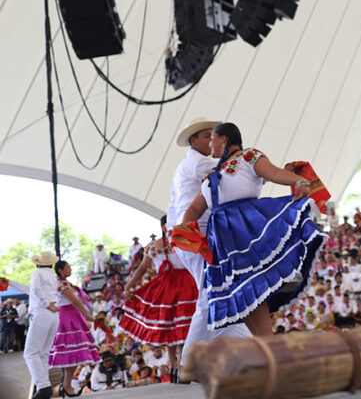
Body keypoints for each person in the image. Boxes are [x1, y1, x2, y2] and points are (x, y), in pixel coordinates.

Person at [179, 122, 327, 336]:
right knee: (240, 293)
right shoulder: (211, 174)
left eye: (212, 138)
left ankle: (268, 345)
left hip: (246, 226)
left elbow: (274, 173)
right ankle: (265, 345)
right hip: (222, 238)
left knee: (249, 286)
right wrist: (182, 231)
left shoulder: (248, 157)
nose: (210, 143)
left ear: (224, 139)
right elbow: (195, 207)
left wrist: (300, 181)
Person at [165, 117, 251, 370]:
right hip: (194, 236)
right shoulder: (199, 163)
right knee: (210, 295)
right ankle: (190, 362)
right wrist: (252, 165)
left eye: (214, 136)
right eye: (207, 137)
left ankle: (241, 353)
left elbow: (173, 206)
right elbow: (228, 178)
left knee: (218, 291)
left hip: (190, 236)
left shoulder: (185, 165)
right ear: (194, 141)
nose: (212, 141)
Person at [119, 217, 197, 384]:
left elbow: (141, 270)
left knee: (169, 328)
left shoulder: (154, 247)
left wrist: (129, 287)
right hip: (186, 286)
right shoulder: (184, 239)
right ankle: (182, 366)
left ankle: (174, 368)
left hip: (165, 289)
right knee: (183, 328)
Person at [48, 260, 99, 397]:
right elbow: (75, 302)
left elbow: (78, 300)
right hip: (68, 318)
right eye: (68, 267)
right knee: (72, 353)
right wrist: (87, 315)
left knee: (74, 354)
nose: (70, 269)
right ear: (60, 270)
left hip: (73, 317)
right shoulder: (62, 283)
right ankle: (66, 385)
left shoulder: (67, 284)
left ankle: (66, 385)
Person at [24, 251, 61, 399]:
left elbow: (35, 288)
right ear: (51, 264)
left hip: (42, 312)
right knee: (43, 353)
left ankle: (43, 385)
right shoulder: (52, 277)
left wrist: (46, 304)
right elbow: (31, 290)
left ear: (38, 263)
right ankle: (44, 386)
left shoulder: (37, 273)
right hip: (53, 316)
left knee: (31, 353)